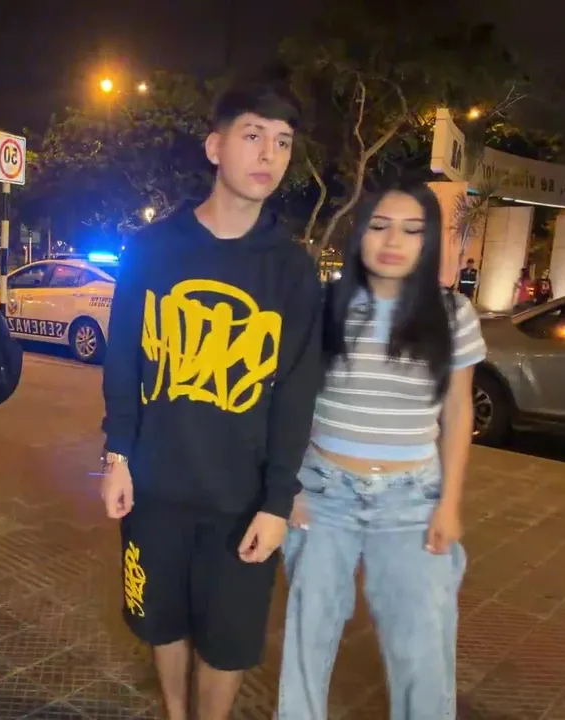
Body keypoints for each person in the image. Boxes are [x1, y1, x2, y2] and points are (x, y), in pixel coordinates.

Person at [100, 68, 322, 720]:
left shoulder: (292, 269)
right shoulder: (151, 250)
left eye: (282, 142)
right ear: (215, 146)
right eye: (253, 135)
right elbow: (123, 360)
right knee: (160, 622)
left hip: (242, 500)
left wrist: (278, 500)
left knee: (228, 644)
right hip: (155, 491)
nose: (268, 154)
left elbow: (296, 391)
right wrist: (117, 455)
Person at [277, 182, 483, 720]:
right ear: (359, 233)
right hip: (323, 495)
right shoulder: (326, 306)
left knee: (423, 652)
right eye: (379, 226)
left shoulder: (452, 313)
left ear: (428, 241)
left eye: (412, 230)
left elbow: (458, 411)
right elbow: (291, 399)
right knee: (308, 639)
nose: (394, 241)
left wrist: (449, 504)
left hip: (412, 500)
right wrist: (289, 487)